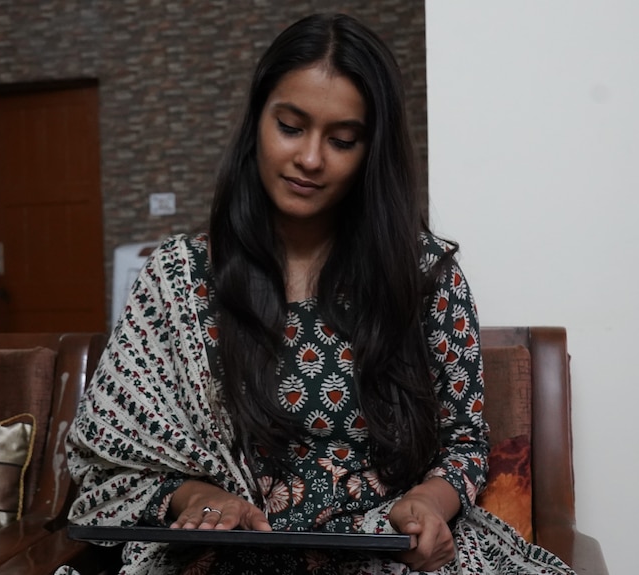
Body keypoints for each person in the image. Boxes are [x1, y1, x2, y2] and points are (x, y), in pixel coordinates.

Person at [57, 13, 575, 575]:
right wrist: (199, 498)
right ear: (257, 120)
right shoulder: (179, 277)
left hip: (389, 555)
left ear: (370, 153)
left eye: (342, 140)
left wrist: (427, 504)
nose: (310, 159)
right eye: (290, 126)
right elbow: (110, 458)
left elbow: (464, 444)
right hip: (227, 557)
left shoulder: (423, 275)